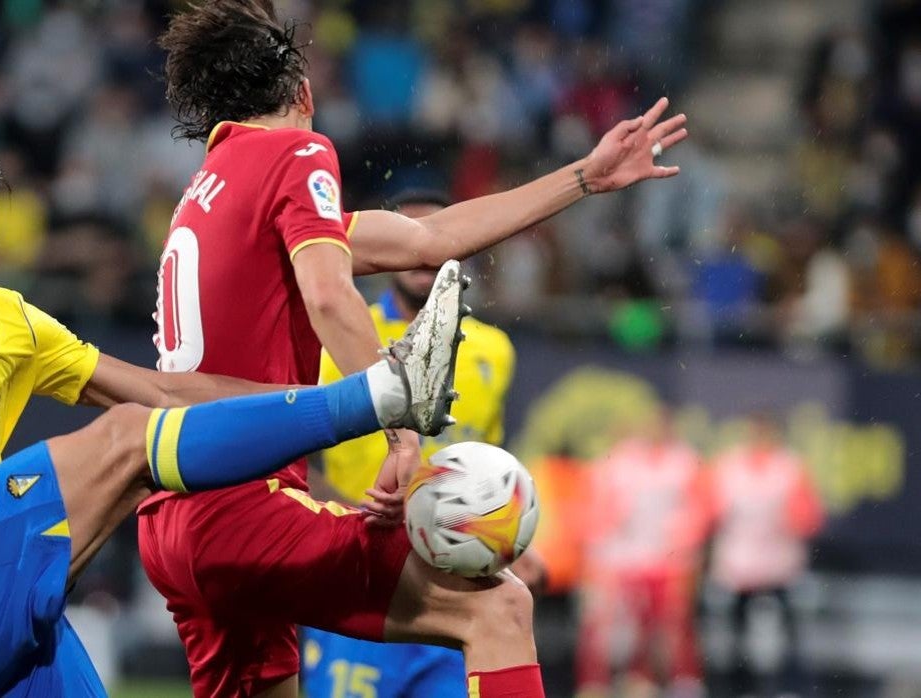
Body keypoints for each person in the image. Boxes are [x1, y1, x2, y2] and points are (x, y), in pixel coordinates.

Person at [0, 134, 467, 698]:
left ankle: (373, 395)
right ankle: (385, 392)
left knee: (138, 426)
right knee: (126, 443)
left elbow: (162, 392)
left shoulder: (4, 320)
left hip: (8, 598)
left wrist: (298, 398)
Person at [146, 2, 689, 696]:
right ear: (303, 94)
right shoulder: (294, 151)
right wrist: (400, 429)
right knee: (498, 607)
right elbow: (328, 293)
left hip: (173, 513)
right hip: (244, 507)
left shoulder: (207, 192)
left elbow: (428, 240)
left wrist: (584, 175)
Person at [300, 189, 540, 698]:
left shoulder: (494, 351)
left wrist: (505, 537)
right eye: (407, 239)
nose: (421, 255)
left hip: (452, 589)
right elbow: (293, 463)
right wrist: (361, 513)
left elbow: (489, 462)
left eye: (432, 239)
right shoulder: (340, 335)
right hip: (358, 571)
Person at [577, 410, 711, 698]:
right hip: (624, 558)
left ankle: (679, 680)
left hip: (669, 558)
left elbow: (699, 511)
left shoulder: (684, 462)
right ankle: (603, 683)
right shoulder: (620, 461)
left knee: (670, 623)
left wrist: (685, 545)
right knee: (612, 626)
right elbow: (600, 511)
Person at [709, 412, 823, 697]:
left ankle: (786, 687)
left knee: (788, 632)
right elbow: (710, 510)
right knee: (736, 632)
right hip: (738, 562)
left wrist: (790, 519)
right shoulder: (728, 466)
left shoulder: (790, 466)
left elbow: (809, 517)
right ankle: (738, 688)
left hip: (778, 562)